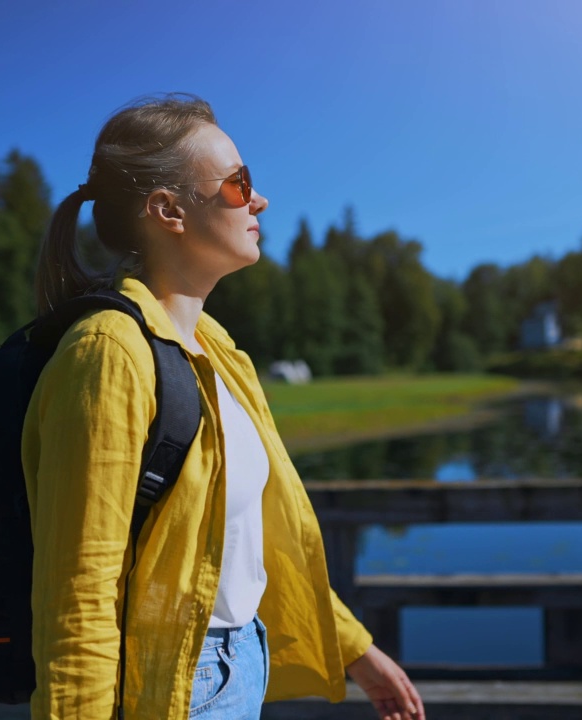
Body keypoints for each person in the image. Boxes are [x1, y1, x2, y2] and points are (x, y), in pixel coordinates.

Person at [21, 94, 425, 720]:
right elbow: (78, 594)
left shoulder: (216, 349)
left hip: (236, 667)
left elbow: (251, 539)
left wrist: (354, 648)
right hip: (171, 687)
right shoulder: (107, 354)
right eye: (239, 184)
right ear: (169, 211)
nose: (258, 200)